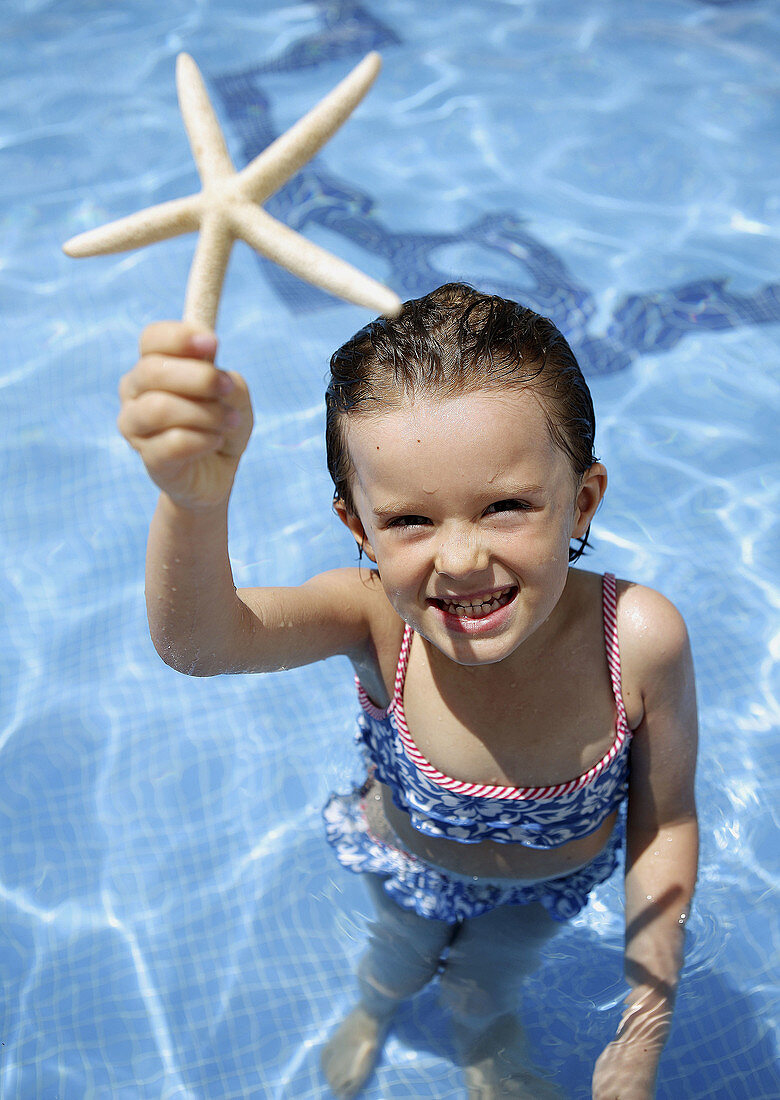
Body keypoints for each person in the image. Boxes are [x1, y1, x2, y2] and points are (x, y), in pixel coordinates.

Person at [118, 283, 698, 1099]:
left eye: (506, 507)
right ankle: (372, 1008)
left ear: (582, 501)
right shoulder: (373, 623)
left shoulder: (635, 640)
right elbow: (199, 647)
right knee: (392, 958)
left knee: (491, 977)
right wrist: (190, 500)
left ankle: (481, 1027)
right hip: (407, 865)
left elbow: (665, 822)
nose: (459, 559)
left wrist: (644, 1027)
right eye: (409, 522)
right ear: (358, 527)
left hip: (547, 886)